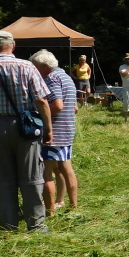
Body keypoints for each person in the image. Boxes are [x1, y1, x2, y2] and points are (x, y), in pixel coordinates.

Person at [0, 30, 53, 233]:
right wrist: (48, 129)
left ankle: (8, 225)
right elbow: (42, 100)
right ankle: (36, 225)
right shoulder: (27, 67)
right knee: (32, 175)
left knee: (2, 178)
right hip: (26, 126)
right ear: (13, 46)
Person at [30, 50, 78, 213]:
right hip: (67, 129)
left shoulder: (51, 78)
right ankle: (72, 206)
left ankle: (50, 210)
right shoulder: (65, 76)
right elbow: (74, 106)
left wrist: (39, 114)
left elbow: (57, 105)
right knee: (66, 169)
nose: (34, 71)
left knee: (47, 172)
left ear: (44, 66)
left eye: (35, 67)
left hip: (54, 131)